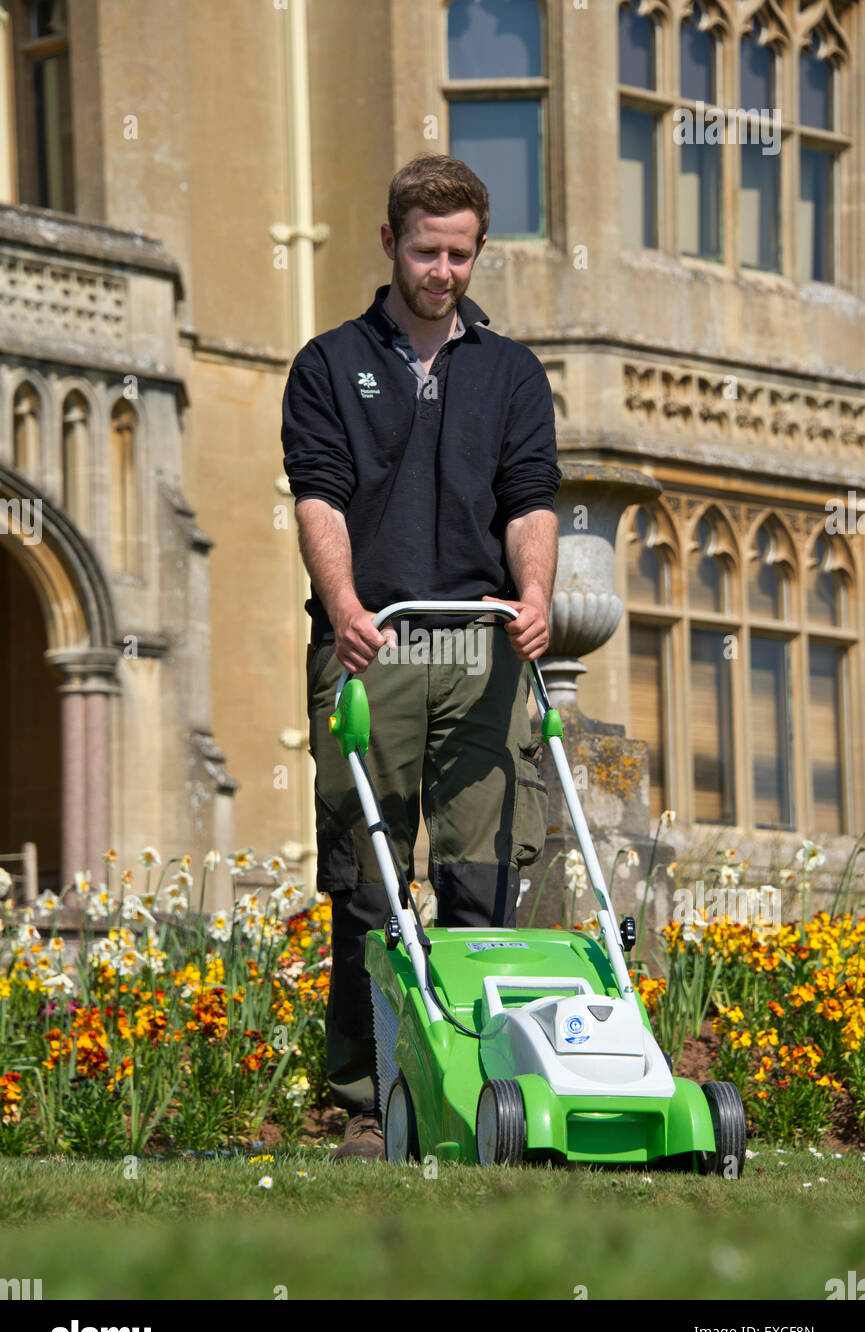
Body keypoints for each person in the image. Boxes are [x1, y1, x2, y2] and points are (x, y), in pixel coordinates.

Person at [281, 153, 561, 1160]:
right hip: (373, 648)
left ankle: (487, 1091)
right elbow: (317, 492)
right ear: (388, 243)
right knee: (369, 882)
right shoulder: (326, 363)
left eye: (459, 254)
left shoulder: (511, 372)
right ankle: (371, 1100)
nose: (442, 270)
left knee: (486, 875)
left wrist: (533, 597)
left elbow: (530, 496)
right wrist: (345, 604)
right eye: (425, 250)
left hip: (480, 646)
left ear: (477, 251)